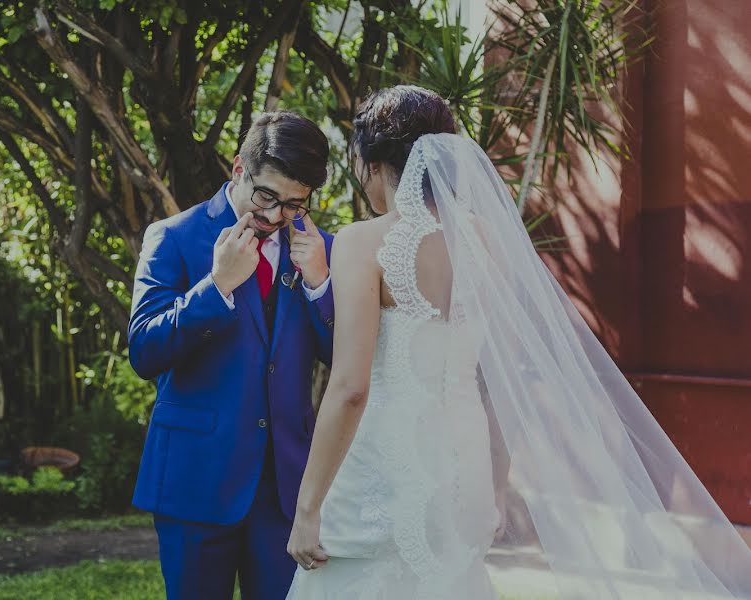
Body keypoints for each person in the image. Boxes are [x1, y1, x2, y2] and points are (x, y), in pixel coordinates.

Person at [285, 85, 751, 599]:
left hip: (384, 469)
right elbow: (499, 381)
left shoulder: (362, 241)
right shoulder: (488, 242)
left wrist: (309, 508)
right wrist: (497, 487)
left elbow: (350, 387)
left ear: (370, 161)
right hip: (464, 471)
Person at [128, 111, 336, 600]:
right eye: (266, 196)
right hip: (196, 479)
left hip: (285, 489)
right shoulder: (174, 237)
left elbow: (344, 358)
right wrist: (216, 285)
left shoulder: (318, 247)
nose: (273, 216)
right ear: (240, 167)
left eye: (293, 204)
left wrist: (320, 286)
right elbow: (144, 350)